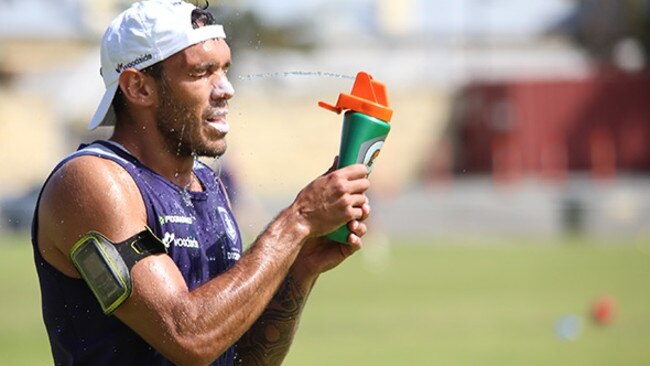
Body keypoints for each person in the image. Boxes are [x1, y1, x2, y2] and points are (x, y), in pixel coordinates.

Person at [31, 1, 371, 365]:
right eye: (201, 72)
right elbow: (187, 337)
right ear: (138, 87)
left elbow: (244, 359)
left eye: (224, 68)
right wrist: (297, 220)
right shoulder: (94, 182)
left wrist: (300, 267)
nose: (225, 89)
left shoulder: (208, 185)